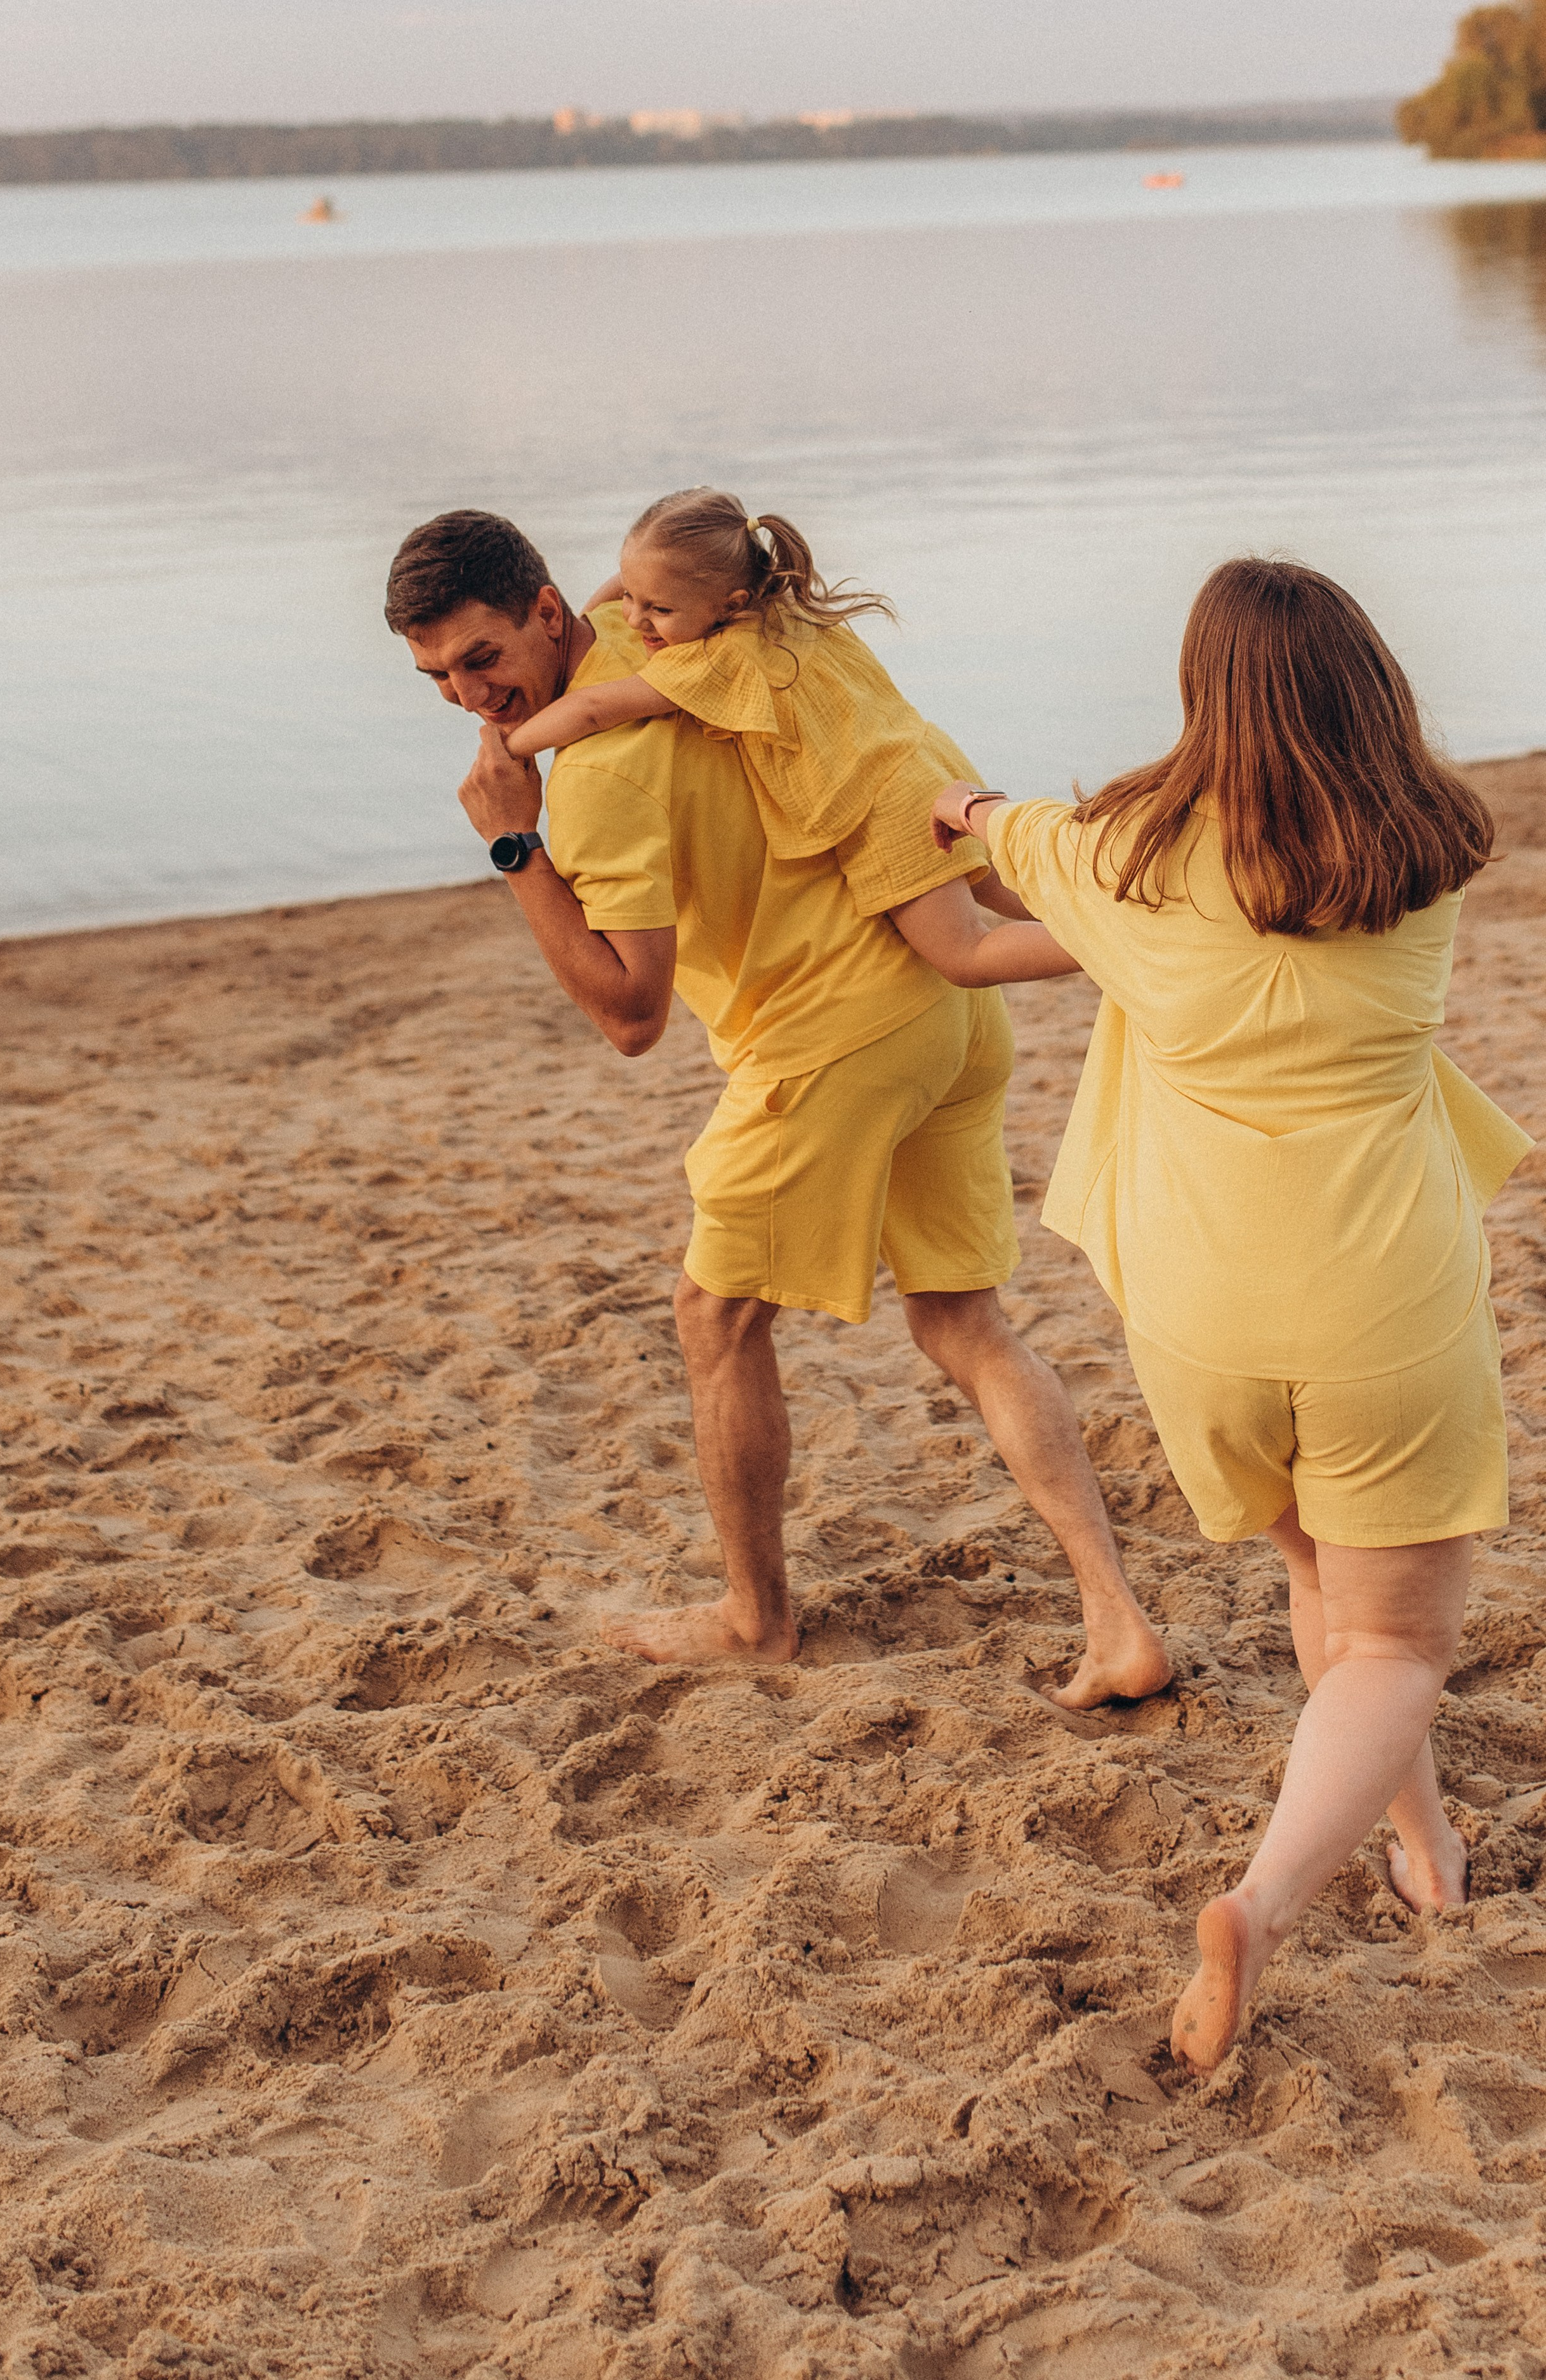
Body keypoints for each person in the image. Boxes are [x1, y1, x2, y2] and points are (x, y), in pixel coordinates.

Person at [385, 507, 1170, 1706]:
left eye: (480, 659)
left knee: (714, 1318)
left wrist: (513, 847)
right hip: (941, 1014)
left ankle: (756, 1618)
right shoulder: (655, 626)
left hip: (830, 1040)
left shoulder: (596, 779)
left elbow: (630, 1011)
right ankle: (1116, 1620)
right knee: (962, 1321)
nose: (464, 693)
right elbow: (642, 578)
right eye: (435, 673)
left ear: (545, 615)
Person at [928, 555, 1532, 2070]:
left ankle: (1425, 1850)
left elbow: (975, 822)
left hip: (1197, 1303)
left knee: (1317, 1572)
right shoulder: (1423, 850)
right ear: (1370, 687)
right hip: (1374, 1291)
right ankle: (1261, 1899)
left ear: (1199, 697)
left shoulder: (1114, 860)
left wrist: (967, 812)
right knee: (1394, 1633)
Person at [504, 486, 1068, 988]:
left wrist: (509, 745)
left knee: (966, 955)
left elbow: (593, 708)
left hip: (885, 812)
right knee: (1000, 889)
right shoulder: (784, 604)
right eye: (629, 595)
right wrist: (627, 593)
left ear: (730, 605)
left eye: (659, 609)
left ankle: (1111, 944)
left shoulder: (714, 659)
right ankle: (1122, 914)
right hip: (925, 764)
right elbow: (640, 592)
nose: (632, 620)